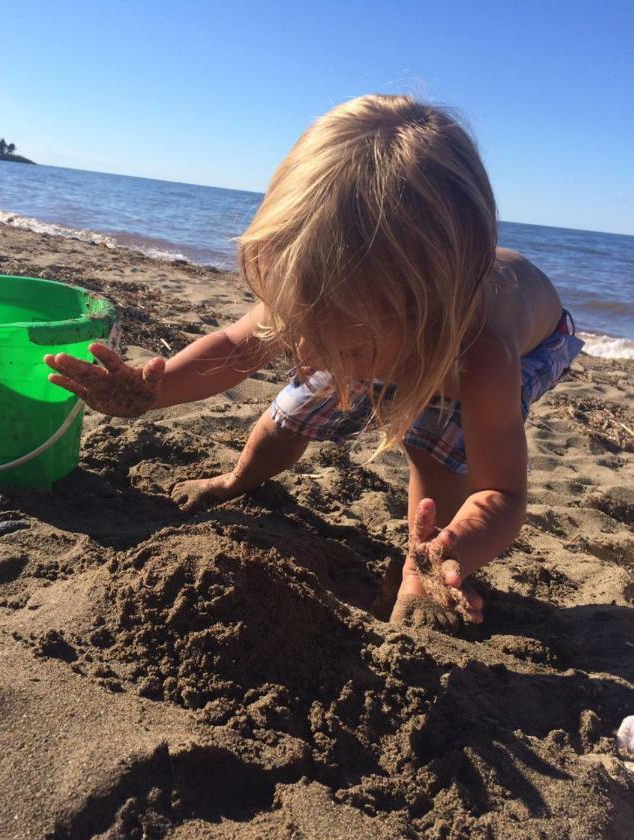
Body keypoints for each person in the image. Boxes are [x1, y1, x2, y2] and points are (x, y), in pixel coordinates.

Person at [44, 94, 584, 633]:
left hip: (523, 343)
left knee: (432, 448)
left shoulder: (482, 357)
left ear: (424, 316)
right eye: (304, 325)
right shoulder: (331, 283)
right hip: (410, 328)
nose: (303, 353)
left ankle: (420, 573)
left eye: (340, 346)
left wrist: (455, 548)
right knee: (287, 414)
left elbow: (503, 492)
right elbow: (237, 346)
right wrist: (151, 392)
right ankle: (236, 480)